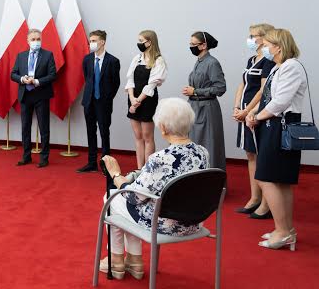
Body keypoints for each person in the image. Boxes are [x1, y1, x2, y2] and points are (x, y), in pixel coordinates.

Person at [100, 98, 209, 280]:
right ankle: (133, 260)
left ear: (163, 128)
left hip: (167, 224)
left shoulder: (160, 159)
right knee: (124, 203)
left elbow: (133, 197)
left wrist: (116, 174)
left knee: (112, 197)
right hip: (194, 222)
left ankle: (116, 259)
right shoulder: (203, 152)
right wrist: (138, 175)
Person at [246, 28, 306, 250]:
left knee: (268, 178)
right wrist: (254, 113)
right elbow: (268, 98)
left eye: (267, 45)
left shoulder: (291, 66)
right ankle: (286, 230)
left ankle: (283, 231)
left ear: (278, 47)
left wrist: (257, 116)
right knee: (279, 180)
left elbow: (280, 102)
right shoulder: (278, 67)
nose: (264, 48)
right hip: (272, 125)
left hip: (281, 126)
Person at [233, 23, 276, 218]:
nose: (250, 39)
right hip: (244, 113)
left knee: (260, 156)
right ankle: (254, 198)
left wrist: (247, 110)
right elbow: (242, 84)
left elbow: (262, 90)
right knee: (250, 154)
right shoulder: (251, 60)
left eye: (253, 36)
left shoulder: (268, 61)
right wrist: (237, 107)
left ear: (265, 38)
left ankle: (266, 203)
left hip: (255, 114)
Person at [11, 29, 57, 168]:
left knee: (44, 128)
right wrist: (22, 79)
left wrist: (37, 81)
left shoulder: (48, 55)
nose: (36, 41)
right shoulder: (21, 56)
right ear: (28, 41)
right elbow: (13, 74)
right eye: (33, 39)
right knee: (25, 127)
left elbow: (53, 75)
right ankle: (26, 156)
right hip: (25, 95)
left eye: (38, 39)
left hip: (41, 95)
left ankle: (44, 158)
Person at [182, 31, 227, 171]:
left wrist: (196, 91)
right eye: (190, 44)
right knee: (195, 145)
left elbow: (220, 88)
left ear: (204, 45)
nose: (191, 47)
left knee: (208, 145)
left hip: (207, 109)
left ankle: (210, 180)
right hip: (195, 107)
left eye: (193, 44)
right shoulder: (199, 61)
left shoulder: (212, 63)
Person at [77, 30, 120, 173]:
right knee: (91, 132)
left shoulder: (113, 61)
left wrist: (107, 98)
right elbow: (87, 78)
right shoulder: (87, 59)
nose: (91, 43)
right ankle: (91, 163)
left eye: (94, 41)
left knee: (104, 132)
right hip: (89, 102)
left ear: (102, 42)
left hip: (103, 103)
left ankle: (106, 164)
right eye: (90, 41)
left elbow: (116, 83)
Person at [125, 30, 167, 169]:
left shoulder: (158, 60)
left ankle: (148, 170)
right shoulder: (137, 58)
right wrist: (132, 98)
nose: (139, 43)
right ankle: (139, 169)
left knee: (147, 137)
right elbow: (130, 80)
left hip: (147, 101)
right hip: (133, 99)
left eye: (141, 41)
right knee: (138, 136)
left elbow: (151, 85)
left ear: (150, 42)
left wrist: (137, 101)